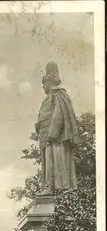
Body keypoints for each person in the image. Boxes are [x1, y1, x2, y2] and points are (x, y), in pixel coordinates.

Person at [35, 62, 79, 195]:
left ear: (49, 83)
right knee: (48, 162)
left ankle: (53, 188)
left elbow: (59, 115)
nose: (43, 87)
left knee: (56, 160)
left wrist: (52, 134)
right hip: (45, 135)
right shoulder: (49, 98)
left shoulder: (59, 94)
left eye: (44, 84)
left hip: (54, 137)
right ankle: (48, 187)